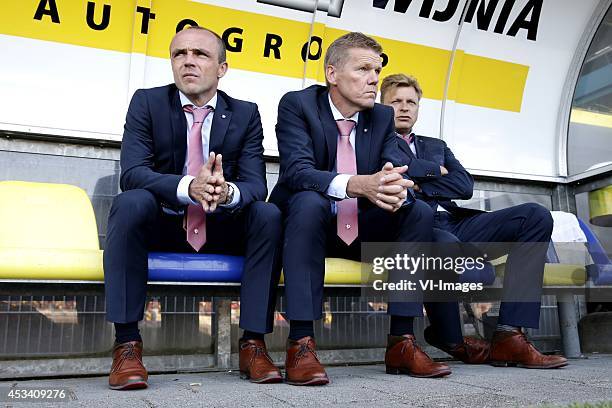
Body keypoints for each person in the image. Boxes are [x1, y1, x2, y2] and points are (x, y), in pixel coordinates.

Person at [104, 26, 283, 390]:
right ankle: (126, 345)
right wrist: (189, 187)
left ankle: (253, 343)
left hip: (220, 226)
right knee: (129, 201)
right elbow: (133, 173)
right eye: (179, 54)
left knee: (267, 213)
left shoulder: (245, 113)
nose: (188, 61)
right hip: (166, 224)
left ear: (222, 68)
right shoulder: (147, 102)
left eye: (200, 54)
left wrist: (226, 190)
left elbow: (255, 185)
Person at [270, 32, 453, 385]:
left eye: (377, 70)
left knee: (418, 212)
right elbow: (297, 171)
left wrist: (393, 186)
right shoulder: (298, 105)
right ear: (332, 74)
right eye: (364, 69)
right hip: (311, 231)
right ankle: (301, 343)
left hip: (364, 229)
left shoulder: (382, 116)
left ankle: (402, 341)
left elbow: (393, 164)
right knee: (308, 200)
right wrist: (358, 184)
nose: (374, 79)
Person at [380, 73, 568, 369]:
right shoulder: (375, 139)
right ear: (382, 105)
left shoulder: (436, 144)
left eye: (411, 102)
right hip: (415, 226)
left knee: (535, 216)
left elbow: (464, 186)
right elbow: (393, 173)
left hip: (457, 220)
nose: (404, 108)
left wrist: (418, 183)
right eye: (396, 102)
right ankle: (449, 336)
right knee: (446, 245)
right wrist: (437, 172)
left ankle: (509, 335)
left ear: (418, 107)